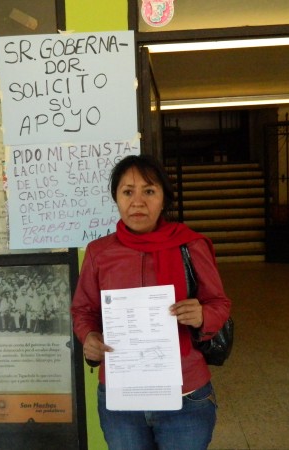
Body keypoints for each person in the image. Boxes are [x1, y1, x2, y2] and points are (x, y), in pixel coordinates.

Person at [71, 154, 231, 450]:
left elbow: (219, 303)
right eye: (127, 192)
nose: (138, 201)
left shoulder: (190, 245)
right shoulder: (99, 253)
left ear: (163, 199)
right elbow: (83, 310)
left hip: (185, 396)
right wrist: (89, 337)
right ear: (116, 198)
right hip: (122, 399)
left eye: (149, 191)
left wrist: (201, 315)